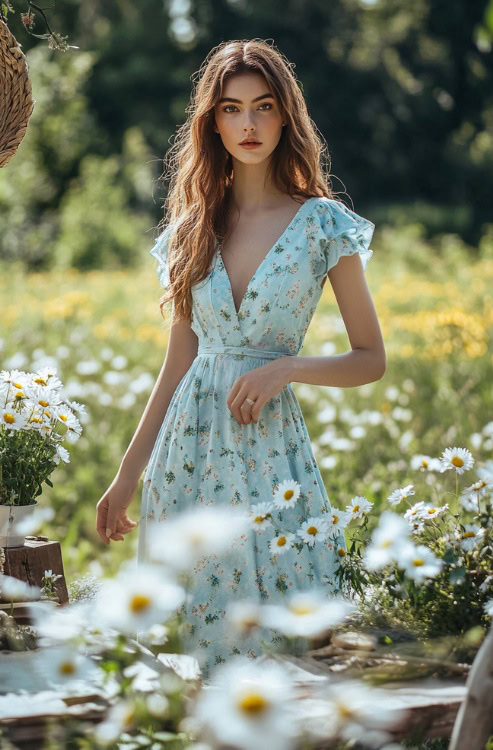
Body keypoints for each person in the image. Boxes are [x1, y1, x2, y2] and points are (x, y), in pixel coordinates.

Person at [96, 38, 386, 679]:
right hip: (189, 455)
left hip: (269, 451)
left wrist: (288, 367)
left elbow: (371, 359)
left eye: (262, 107)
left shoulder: (322, 226)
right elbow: (176, 365)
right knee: (197, 656)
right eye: (231, 109)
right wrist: (124, 478)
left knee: (284, 649)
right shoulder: (189, 230)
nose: (248, 125)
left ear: (285, 116)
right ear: (213, 122)